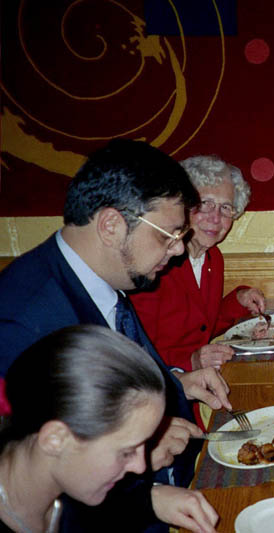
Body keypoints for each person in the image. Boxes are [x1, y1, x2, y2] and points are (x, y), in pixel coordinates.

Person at [0, 139, 232, 529]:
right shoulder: (21, 319)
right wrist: (143, 491)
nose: (178, 250)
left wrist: (177, 381)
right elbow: (27, 481)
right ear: (111, 225)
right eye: (168, 235)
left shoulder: (105, 280)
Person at [0, 325, 219, 533]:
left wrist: (151, 499)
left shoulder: (69, 483)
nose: (141, 467)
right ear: (55, 439)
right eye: (126, 452)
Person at [131, 155, 266, 372]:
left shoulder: (213, 257)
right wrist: (191, 362)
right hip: (163, 386)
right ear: (182, 207)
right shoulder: (156, 263)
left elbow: (202, 328)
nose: (216, 218)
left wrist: (239, 300)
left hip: (201, 380)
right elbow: (134, 351)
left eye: (225, 207)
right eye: (205, 204)